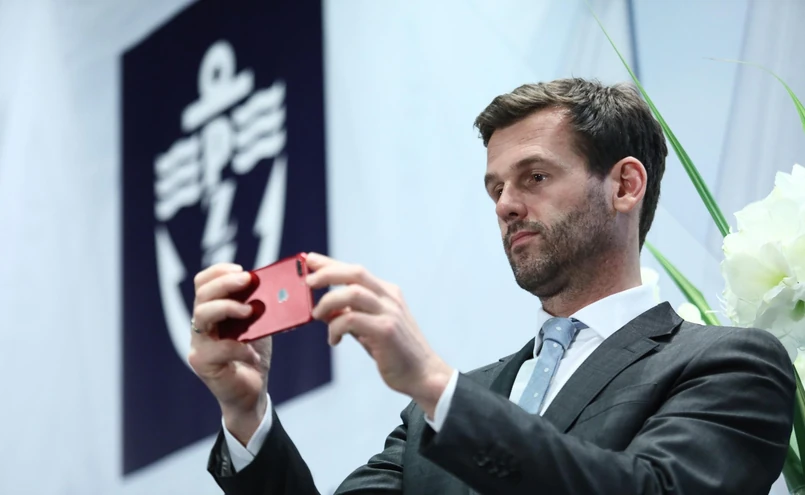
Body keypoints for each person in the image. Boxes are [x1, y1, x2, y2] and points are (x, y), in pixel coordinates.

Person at [189, 78, 795, 494]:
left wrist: (435, 385)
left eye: (535, 177)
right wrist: (246, 413)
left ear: (624, 186)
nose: (505, 205)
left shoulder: (728, 364)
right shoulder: (436, 413)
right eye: (495, 188)